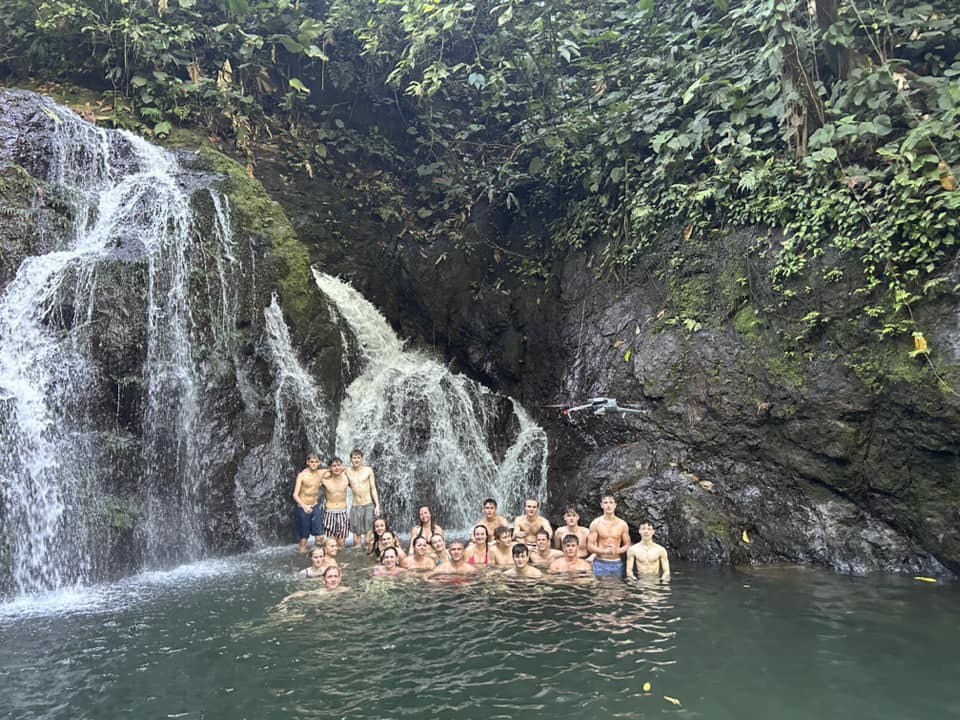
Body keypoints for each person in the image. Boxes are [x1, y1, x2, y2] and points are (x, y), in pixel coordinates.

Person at [587, 494, 631, 578]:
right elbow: (590, 546)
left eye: (611, 503)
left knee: (618, 589)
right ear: (601, 505)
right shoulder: (596, 523)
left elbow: (627, 545)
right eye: (605, 503)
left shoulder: (622, 524)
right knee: (600, 590)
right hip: (600, 562)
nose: (608, 505)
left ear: (615, 505)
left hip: (617, 562)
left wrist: (618, 550)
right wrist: (604, 551)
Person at [346, 448, 381, 548]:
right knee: (356, 538)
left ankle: (368, 559)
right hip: (355, 505)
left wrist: (377, 505)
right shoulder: (347, 471)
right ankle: (357, 559)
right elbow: (333, 470)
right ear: (351, 460)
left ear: (362, 459)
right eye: (354, 458)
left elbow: (373, 488)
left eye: (358, 458)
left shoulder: (368, 470)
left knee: (367, 539)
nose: (356, 460)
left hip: (368, 505)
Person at [291, 453, 326, 554]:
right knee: (304, 540)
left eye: (316, 462)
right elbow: (295, 495)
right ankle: (302, 560)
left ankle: (315, 556)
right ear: (307, 462)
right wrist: (304, 506)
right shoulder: (302, 475)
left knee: (320, 537)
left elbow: (338, 468)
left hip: (315, 506)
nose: (314, 464)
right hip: (303, 508)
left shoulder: (321, 473)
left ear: (319, 463)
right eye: (311, 462)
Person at [318, 457, 351, 547]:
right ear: (330, 468)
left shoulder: (346, 477)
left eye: (339, 465)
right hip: (330, 513)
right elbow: (315, 475)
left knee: (341, 543)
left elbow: (354, 469)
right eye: (334, 466)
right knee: (331, 543)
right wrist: (327, 472)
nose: (337, 468)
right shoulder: (325, 480)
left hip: (342, 513)